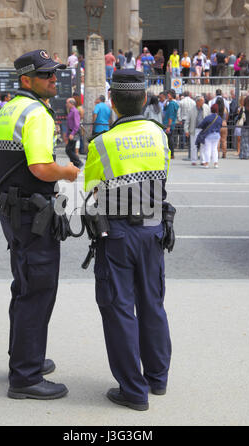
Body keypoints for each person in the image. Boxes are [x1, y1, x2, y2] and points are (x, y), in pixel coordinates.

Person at [0, 49, 80, 400]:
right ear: (27, 79)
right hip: (33, 215)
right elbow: (42, 167)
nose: (54, 79)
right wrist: (69, 171)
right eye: (46, 75)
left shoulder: (7, 110)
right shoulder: (37, 113)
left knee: (23, 287)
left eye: (54, 74)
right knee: (38, 291)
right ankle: (25, 377)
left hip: (12, 213)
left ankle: (23, 357)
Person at [84, 69, 173, 411]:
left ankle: (133, 390)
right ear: (144, 99)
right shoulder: (159, 135)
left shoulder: (102, 143)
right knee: (152, 302)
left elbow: (91, 192)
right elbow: (163, 177)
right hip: (152, 227)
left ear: (113, 103)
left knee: (119, 308)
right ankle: (157, 379)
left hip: (117, 233)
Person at [184, 95, 210, 165]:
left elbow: (209, 118)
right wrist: (186, 130)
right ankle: (194, 160)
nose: (203, 102)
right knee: (193, 146)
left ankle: (203, 160)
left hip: (203, 129)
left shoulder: (206, 108)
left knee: (203, 145)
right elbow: (187, 121)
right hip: (194, 129)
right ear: (197, 102)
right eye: (202, 101)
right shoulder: (191, 109)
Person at [196, 103, 223, 168]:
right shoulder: (219, 118)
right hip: (216, 135)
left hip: (208, 135)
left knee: (207, 149)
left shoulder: (208, 117)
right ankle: (215, 163)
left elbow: (201, 125)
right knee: (214, 149)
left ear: (211, 110)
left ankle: (206, 163)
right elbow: (220, 126)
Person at [65, 97, 83, 168]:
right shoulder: (71, 111)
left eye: (67, 103)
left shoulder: (75, 111)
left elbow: (77, 124)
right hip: (70, 132)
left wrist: (72, 133)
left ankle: (78, 162)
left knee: (68, 150)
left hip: (73, 132)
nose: (66, 104)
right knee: (70, 149)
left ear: (71, 103)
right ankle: (73, 164)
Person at [238, 95, 249, 159]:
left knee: (244, 141)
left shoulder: (243, 109)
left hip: (245, 127)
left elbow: (239, 117)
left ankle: (245, 155)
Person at [163, 89, 179, 159]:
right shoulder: (171, 103)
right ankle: (171, 153)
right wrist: (167, 101)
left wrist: (168, 126)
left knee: (169, 139)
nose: (167, 95)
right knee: (169, 138)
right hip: (169, 123)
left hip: (169, 123)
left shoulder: (172, 104)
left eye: (168, 94)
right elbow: (165, 108)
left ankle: (171, 154)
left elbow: (171, 115)